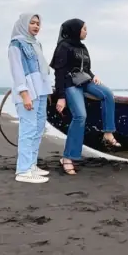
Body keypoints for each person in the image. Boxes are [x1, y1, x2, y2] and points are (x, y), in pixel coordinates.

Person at [49, 18, 120, 176]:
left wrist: (93, 76)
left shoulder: (82, 47)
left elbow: (86, 68)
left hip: (85, 81)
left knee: (107, 94)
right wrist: (61, 96)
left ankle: (108, 132)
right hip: (70, 83)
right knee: (80, 116)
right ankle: (68, 157)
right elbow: (59, 72)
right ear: (75, 30)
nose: (86, 31)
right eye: (84, 29)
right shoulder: (63, 46)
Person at [8, 12, 52, 183]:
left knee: (38, 127)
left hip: (40, 91)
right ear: (24, 24)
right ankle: (23, 171)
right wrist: (24, 94)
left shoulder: (36, 43)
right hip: (28, 91)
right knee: (28, 129)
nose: (36, 26)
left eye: (38, 24)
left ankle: (31, 164)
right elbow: (17, 70)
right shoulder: (16, 44)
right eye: (32, 23)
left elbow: (42, 69)